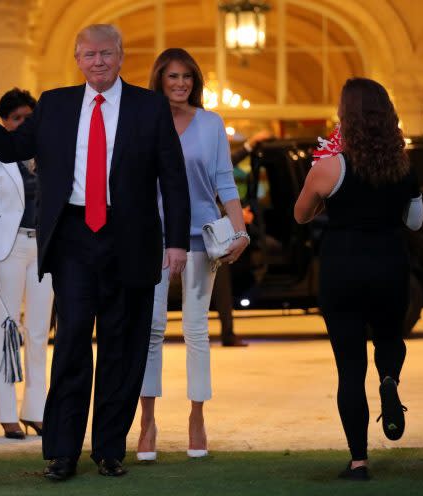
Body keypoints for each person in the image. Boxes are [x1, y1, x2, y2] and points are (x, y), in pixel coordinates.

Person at [0, 25, 190, 480]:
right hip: (74, 237)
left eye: (106, 53)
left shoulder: (150, 107)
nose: (98, 61)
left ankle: (108, 449)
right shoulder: (56, 104)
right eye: (88, 54)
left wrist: (177, 240)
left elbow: (173, 178)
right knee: (71, 342)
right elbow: (10, 148)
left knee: (122, 347)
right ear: (78, 60)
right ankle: (61, 451)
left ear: (121, 56)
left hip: (131, 237)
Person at [294, 77, 423, 481]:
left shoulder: (328, 166)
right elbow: (415, 222)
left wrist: (325, 205)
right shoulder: (403, 165)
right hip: (389, 263)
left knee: (349, 367)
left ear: (345, 115)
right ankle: (389, 379)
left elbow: (300, 214)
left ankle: (358, 461)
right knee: (388, 338)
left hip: (343, 267)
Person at [136, 48, 249, 461]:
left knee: (196, 331)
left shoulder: (211, 123)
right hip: (153, 239)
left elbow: (225, 182)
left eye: (187, 77)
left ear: (194, 82)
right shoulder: (145, 122)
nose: (180, 83)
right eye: (173, 76)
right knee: (151, 329)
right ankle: (146, 420)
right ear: (160, 80)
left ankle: (197, 418)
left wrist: (240, 231)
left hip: (202, 236)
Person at [0, 88, 53, 440]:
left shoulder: (46, 151)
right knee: (6, 331)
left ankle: (35, 410)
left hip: (44, 249)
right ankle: (6, 415)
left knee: (38, 333)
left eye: (28, 118)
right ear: (5, 122)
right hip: (6, 249)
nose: (22, 124)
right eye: (16, 118)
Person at [213, 131, 271, 347]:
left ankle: (227, 332)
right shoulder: (203, 162)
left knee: (221, 285)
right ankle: (226, 333)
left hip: (219, 233)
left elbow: (230, 161)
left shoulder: (216, 162)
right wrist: (232, 217)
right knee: (218, 286)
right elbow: (199, 201)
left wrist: (250, 145)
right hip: (208, 233)